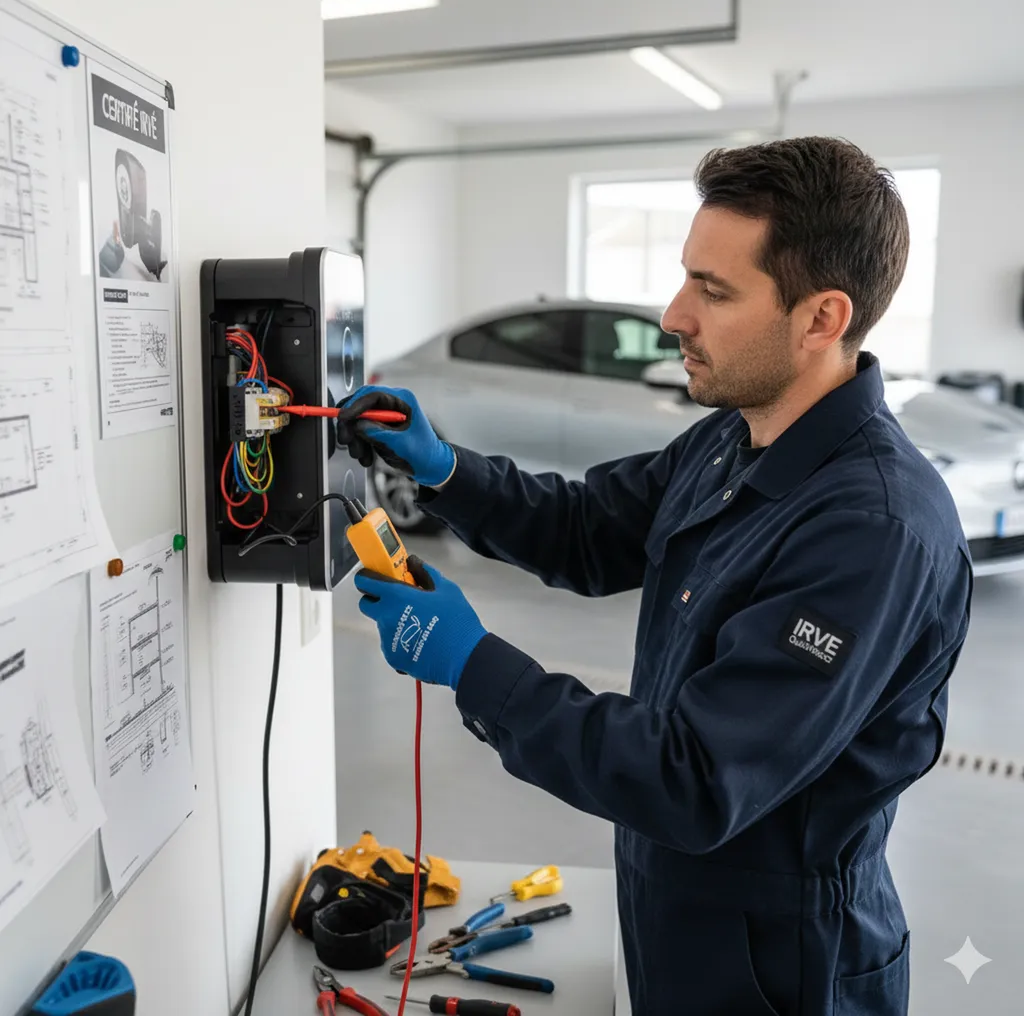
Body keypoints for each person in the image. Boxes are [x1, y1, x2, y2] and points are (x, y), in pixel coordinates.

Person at [337, 136, 973, 1016]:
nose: (675, 313)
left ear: (822, 318)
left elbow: (696, 779)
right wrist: (447, 469)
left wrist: (476, 666)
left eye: (714, 290)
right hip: (673, 907)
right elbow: (589, 528)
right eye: (686, 277)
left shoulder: (872, 529)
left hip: (782, 963)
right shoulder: (737, 432)